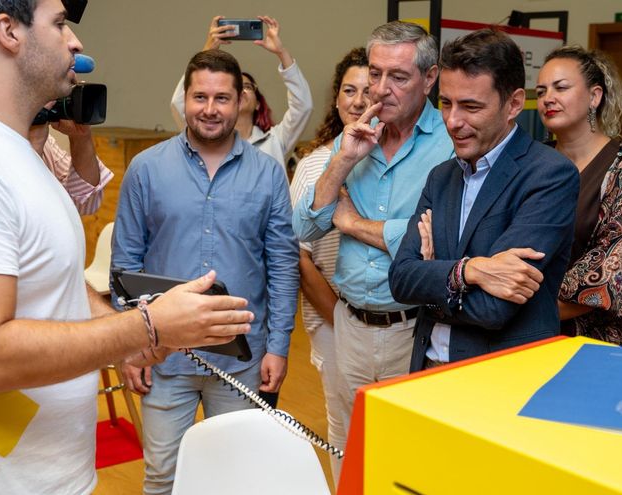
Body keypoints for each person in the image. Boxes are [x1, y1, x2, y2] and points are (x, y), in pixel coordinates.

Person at [0, 2, 252, 493]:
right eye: (60, 23)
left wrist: (125, 334)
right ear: (8, 32)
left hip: (45, 472)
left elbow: (55, 285)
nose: (75, 42)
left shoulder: (18, 151)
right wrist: (144, 325)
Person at [112, 49, 299, 494]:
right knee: (163, 476)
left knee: (236, 479)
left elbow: (283, 266)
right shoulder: (146, 169)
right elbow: (125, 263)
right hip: (164, 355)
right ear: (185, 99)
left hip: (243, 359)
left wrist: (278, 346)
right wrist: (130, 345)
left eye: (222, 98)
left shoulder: (268, 173)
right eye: (200, 97)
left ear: (241, 102)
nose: (210, 110)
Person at [293, 21, 454, 433]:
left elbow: (436, 242)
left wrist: (351, 222)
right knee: (347, 445)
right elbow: (306, 227)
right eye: (376, 72)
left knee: (406, 450)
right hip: (349, 327)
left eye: (398, 77)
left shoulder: (451, 142)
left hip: (413, 328)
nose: (380, 89)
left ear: (430, 77)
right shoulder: (355, 136)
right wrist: (344, 160)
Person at [389, 28, 579, 372]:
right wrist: (470, 270)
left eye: (471, 106)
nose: (452, 121)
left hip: (498, 377)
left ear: (514, 104)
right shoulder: (442, 176)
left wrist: (433, 278)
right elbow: (401, 279)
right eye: (445, 103)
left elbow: (495, 310)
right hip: (426, 370)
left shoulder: (549, 175)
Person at [535, 46, 622, 348]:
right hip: (533, 336)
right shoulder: (534, 161)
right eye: (541, 92)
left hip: (602, 344)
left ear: (595, 96)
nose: (548, 99)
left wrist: (528, 313)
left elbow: (617, 270)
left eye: (561, 87)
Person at [287, 46, 368, 485]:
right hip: (331, 312)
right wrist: (338, 314)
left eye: (367, 90)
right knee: (344, 425)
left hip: (385, 317)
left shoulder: (397, 157)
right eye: (348, 89)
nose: (358, 100)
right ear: (336, 97)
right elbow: (297, 251)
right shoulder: (315, 163)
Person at [170, 15, 312, 166]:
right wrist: (207, 51)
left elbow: (303, 106)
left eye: (247, 87)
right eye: (228, 93)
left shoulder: (275, 141)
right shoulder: (207, 136)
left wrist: (282, 53)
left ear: (258, 103)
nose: (242, 91)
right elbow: (178, 103)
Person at [28, 116, 113, 215]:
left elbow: (84, 202)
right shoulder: (7, 139)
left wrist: (81, 137)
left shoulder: (46, 143)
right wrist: (35, 144)